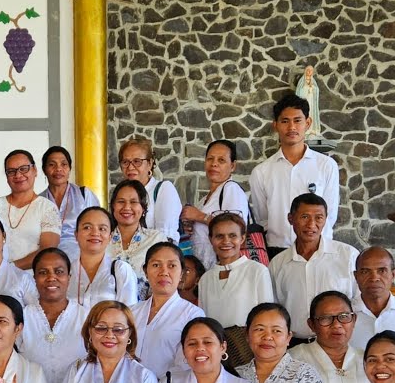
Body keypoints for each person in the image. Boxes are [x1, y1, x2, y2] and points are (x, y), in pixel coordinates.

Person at [249, 93, 340, 251]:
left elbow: (329, 214)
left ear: (308, 123)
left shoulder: (326, 166)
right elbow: (263, 218)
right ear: (275, 125)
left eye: (297, 120)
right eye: (285, 121)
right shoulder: (261, 172)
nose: (291, 127)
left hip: (318, 250)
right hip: (277, 250)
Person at [268, 193, 358, 341]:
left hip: (339, 342)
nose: (311, 225)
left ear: (325, 219)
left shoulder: (348, 256)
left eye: (318, 217)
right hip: (295, 345)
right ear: (291, 219)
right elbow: (275, 309)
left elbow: (358, 301)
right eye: (304, 217)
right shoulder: (278, 264)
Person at [196, 212, 274, 365]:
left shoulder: (257, 271)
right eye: (219, 236)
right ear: (211, 239)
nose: (226, 241)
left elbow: (267, 318)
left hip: (248, 352)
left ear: (242, 238)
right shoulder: (206, 279)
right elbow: (205, 320)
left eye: (232, 236)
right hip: (217, 353)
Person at [18, 248, 88, 383]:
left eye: (59, 271)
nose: (51, 278)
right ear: (34, 278)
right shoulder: (21, 317)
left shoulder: (86, 318)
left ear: (69, 277)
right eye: (43, 272)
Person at [132, 241, 201, 376]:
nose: (164, 272)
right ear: (145, 271)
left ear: (181, 273)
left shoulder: (192, 315)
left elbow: (186, 366)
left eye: (172, 266)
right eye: (156, 265)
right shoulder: (132, 312)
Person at [184, 139, 249, 268]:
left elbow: (235, 230)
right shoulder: (204, 199)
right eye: (210, 159)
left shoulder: (231, 189)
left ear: (232, 166)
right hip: (206, 268)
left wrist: (199, 216)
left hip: (225, 267)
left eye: (221, 160)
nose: (214, 164)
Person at [0, 149, 61, 269]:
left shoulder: (47, 208)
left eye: (24, 169)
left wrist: (8, 269)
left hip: (32, 281)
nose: (18, 175)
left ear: (35, 171)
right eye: (11, 171)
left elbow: (47, 251)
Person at [107, 179, 169, 296]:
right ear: (113, 207)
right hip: (106, 310)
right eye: (121, 201)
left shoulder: (156, 240)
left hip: (146, 311)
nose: (127, 207)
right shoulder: (102, 240)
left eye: (133, 202)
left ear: (143, 208)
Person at [68, 207, 138, 309]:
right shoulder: (66, 272)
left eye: (102, 229)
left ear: (110, 237)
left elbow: (130, 315)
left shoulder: (120, 270)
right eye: (87, 227)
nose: (95, 233)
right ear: (76, 234)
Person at [39, 146, 101, 259]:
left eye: (64, 164)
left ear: (69, 168)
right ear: (44, 169)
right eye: (52, 164)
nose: (58, 169)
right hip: (48, 260)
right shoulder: (38, 201)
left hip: (81, 258)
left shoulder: (84, 194)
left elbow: (99, 226)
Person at [117, 135, 180, 242]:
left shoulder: (163, 190)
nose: (130, 167)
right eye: (125, 162)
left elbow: (165, 238)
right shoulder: (120, 193)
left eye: (137, 161)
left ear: (150, 163)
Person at [349, 246, 395, 350]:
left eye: (382, 271)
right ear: (356, 276)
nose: (374, 278)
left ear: (393, 274)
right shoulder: (343, 316)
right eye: (365, 271)